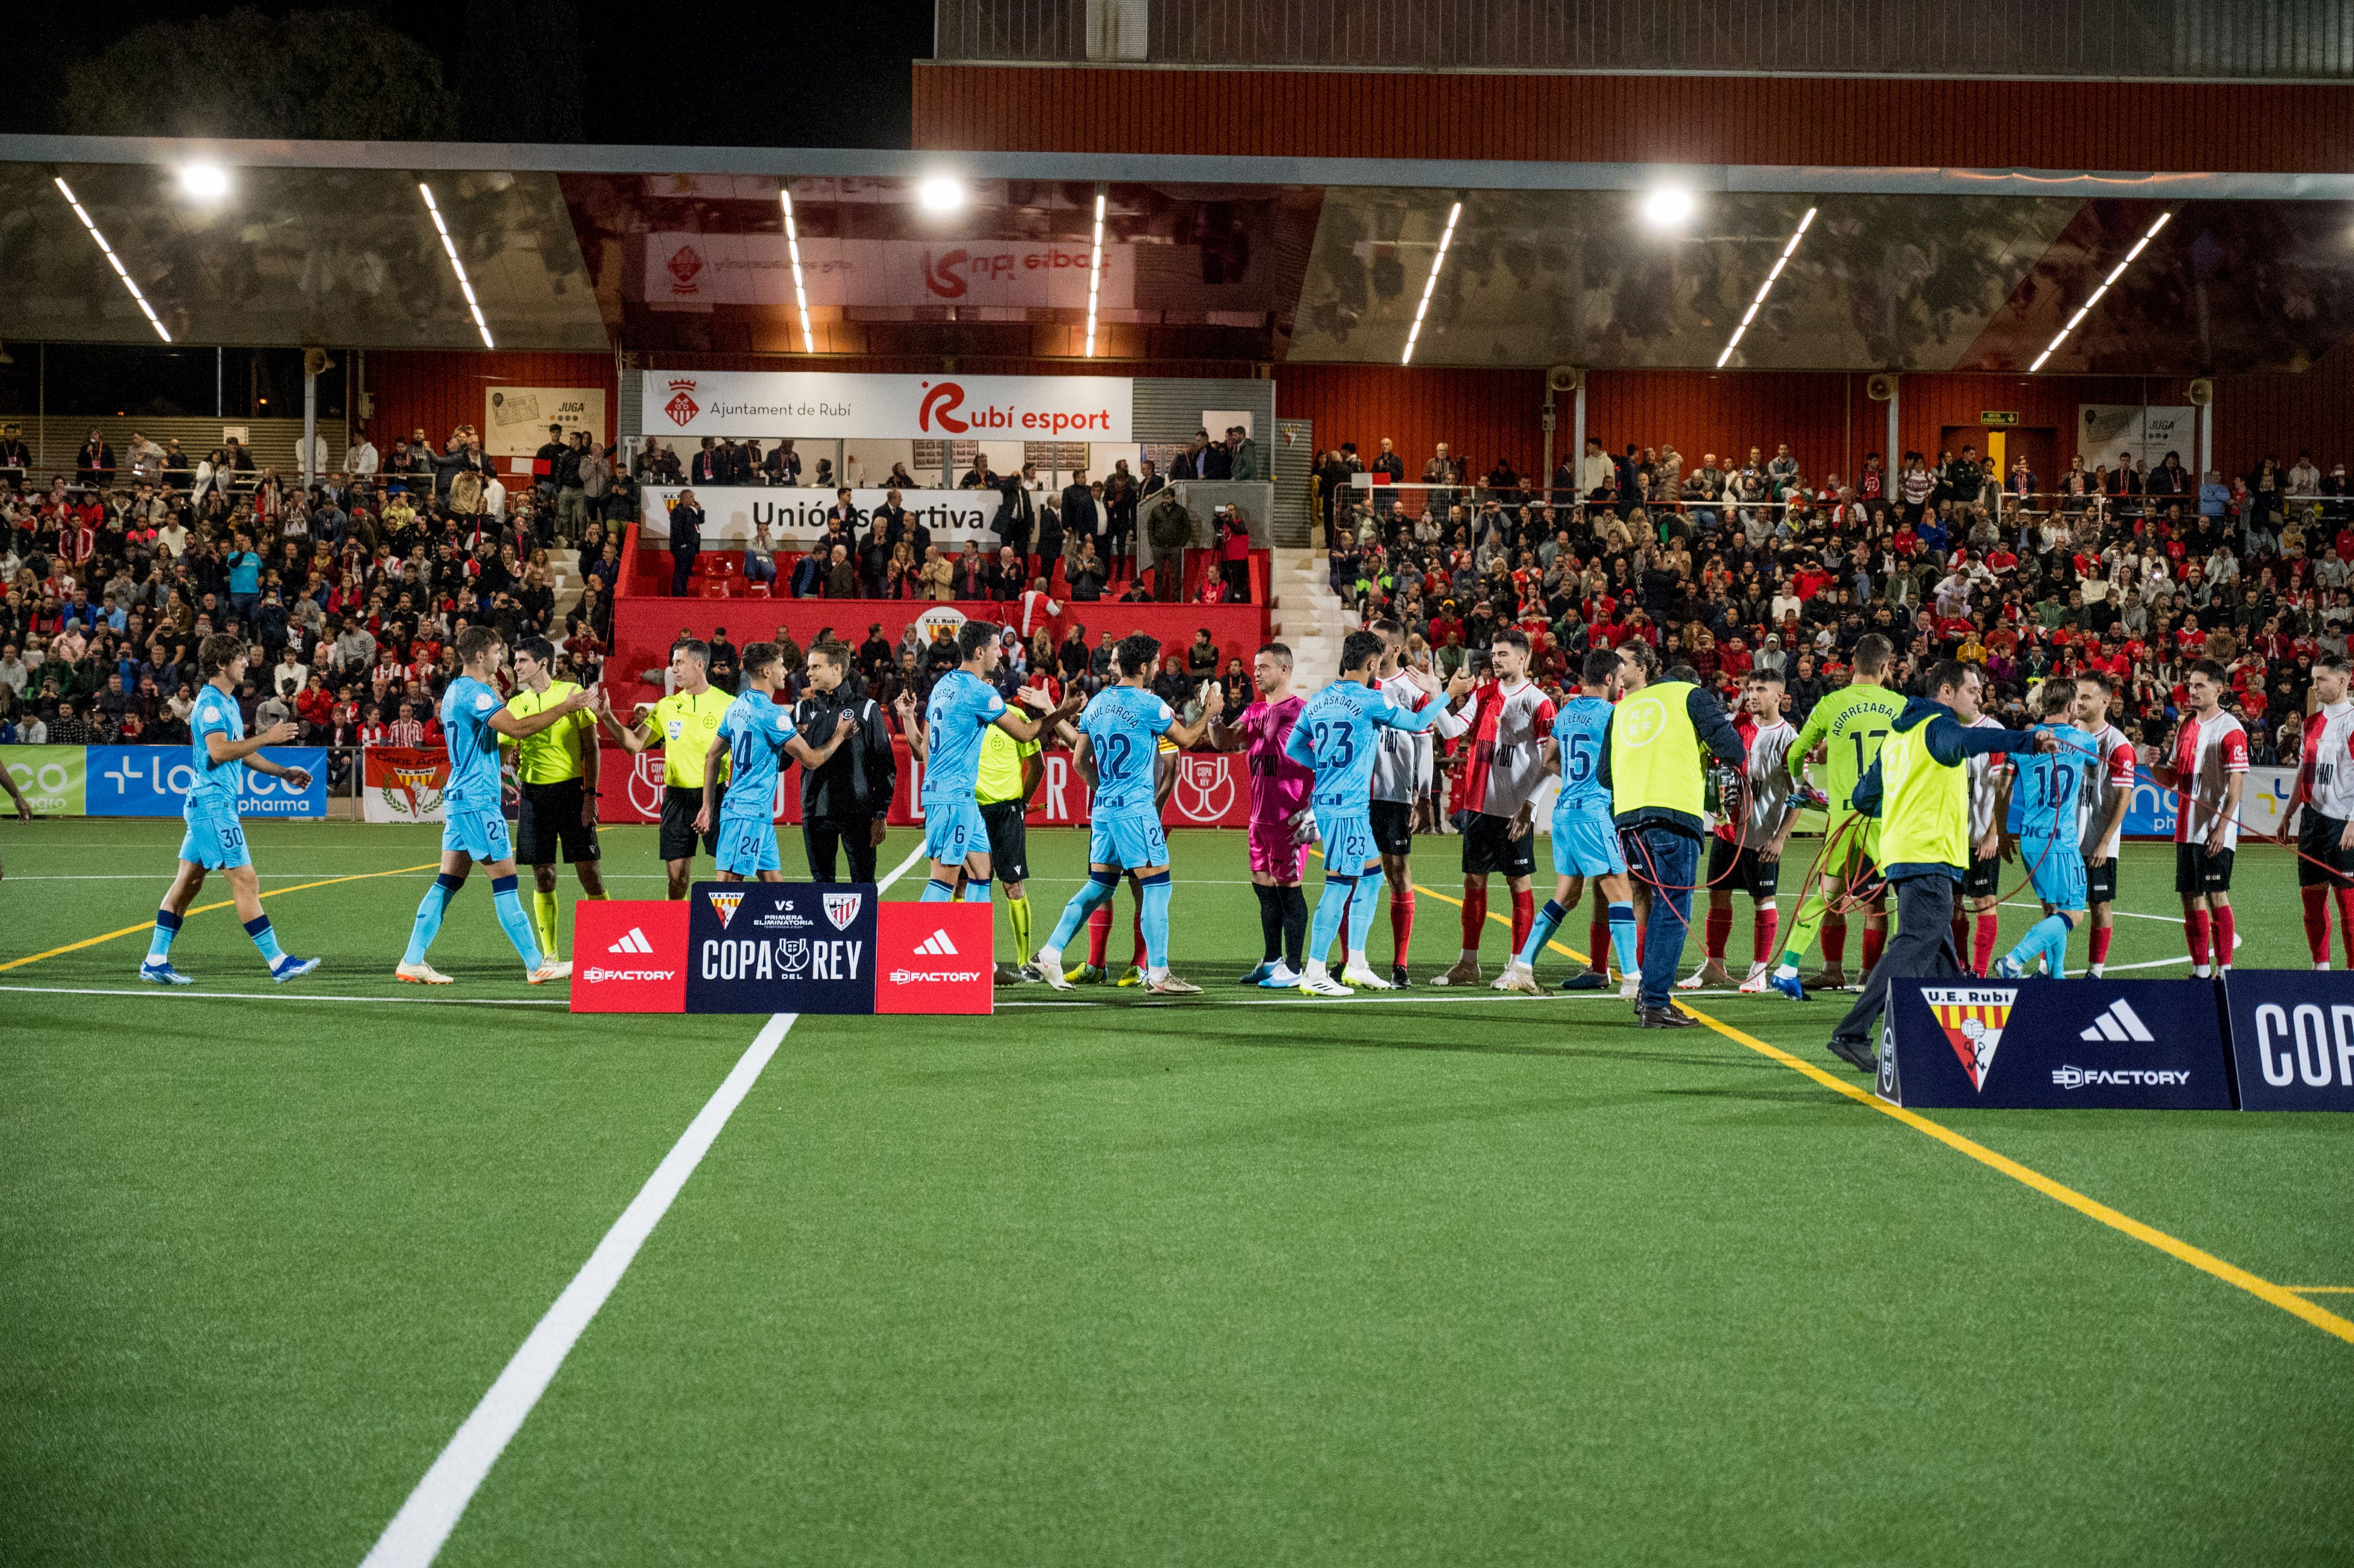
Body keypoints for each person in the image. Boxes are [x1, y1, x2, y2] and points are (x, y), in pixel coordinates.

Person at [1823, 661, 2056, 1071]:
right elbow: (1969, 741)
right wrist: (2029, 740)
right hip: (1929, 853)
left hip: (1903, 854)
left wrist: (1903, 803)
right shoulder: (1938, 726)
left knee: (1943, 955)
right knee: (1916, 942)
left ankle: (1956, 1049)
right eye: (1973, 689)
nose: (1979, 697)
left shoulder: (1899, 734)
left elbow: (1864, 797)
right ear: (1946, 692)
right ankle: (1853, 1032)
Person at [395, 626, 593, 987]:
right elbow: (516, 729)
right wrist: (564, 708)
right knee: (505, 880)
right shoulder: (476, 693)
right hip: (477, 801)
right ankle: (537, 964)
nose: (503, 659)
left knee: (447, 881)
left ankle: (412, 960)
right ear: (482, 656)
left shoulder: (455, 690)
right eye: (499, 652)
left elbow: (494, 740)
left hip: (461, 798)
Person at [1035, 634, 1224, 996]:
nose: (1156, 668)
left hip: (1104, 810)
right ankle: (1159, 974)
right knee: (1157, 887)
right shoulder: (1150, 705)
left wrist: (1106, 788)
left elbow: (1078, 761)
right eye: (1154, 663)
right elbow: (1185, 741)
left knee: (1099, 887)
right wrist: (1209, 713)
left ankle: (1050, 952)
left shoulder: (1096, 705)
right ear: (1142, 667)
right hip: (1137, 809)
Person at [1279, 629, 1457, 997]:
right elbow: (1415, 723)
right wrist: (1448, 696)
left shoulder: (1316, 700)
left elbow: (1295, 748)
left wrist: (1324, 767)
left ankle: (1357, 963)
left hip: (1340, 804)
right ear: (1373, 663)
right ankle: (1313, 972)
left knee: (1373, 877)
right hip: (1347, 809)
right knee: (1339, 885)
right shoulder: (1369, 700)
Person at [135, 635, 321, 986]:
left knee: (188, 884)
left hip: (207, 805)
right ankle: (279, 962)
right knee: (245, 880)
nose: (246, 663)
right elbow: (219, 752)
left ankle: (155, 960)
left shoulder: (228, 703)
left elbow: (240, 751)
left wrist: (283, 772)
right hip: (212, 806)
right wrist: (268, 737)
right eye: (238, 658)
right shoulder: (209, 706)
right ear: (221, 664)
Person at [1596, 642, 1748, 1027]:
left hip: (1628, 821)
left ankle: (1649, 995)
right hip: (1673, 815)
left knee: (1651, 903)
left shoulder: (1623, 709)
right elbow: (1733, 749)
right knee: (1673, 909)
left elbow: (1604, 776)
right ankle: (1656, 1003)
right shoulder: (1690, 696)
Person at [1767, 633, 1907, 1000]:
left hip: (1844, 819)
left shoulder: (1831, 703)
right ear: (1885, 667)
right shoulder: (1900, 705)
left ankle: (1787, 969)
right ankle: (1893, 975)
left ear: (1852, 666)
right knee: (1908, 895)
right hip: (1887, 819)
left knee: (1826, 895)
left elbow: (1795, 754)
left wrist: (1801, 787)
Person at [1495, 649, 1640, 994]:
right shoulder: (1613, 715)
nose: (1621, 685)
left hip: (1564, 813)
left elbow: (1549, 760)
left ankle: (1523, 967)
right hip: (1593, 813)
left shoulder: (1568, 711)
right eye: (1619, 679)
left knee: (1567, 896)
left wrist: (1579, 775)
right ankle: (1634, 979)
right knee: (1622, 895)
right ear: (1609, 679)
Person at [916, 622, 1080, 907]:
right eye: (996, 648)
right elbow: (1027, 733)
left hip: (956, 796)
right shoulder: (980, 692)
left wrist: (935, 784)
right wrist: (1063, 711)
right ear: (980, 652)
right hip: (953, 797)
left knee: (981, 873)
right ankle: (912, 949)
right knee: (944, 879)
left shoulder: (943, 684)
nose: (1000, 655)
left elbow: (925, 744)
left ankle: (975, 948)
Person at [1429, 629, 1555, 988]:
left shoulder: (1539, 702)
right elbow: (1452, 726)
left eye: (1503, 654)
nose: (1496, 659)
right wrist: (1438, 695)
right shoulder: (1483, 695)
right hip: (1478, 805)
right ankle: (1469, 964)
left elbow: (1550, 761)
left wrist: (1530, 807)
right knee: (1473, 880)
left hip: (1514, 809)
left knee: (1519, 883)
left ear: (1522, 658)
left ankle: (1518, 967)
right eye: (1494, 654)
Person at [1677, 672, 1800, 993]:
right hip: (1727, 833)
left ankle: (1759, 970)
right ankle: (1715, 966)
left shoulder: (1789, 739)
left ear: (1780, 696)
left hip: (1763, 839)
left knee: (1763, 901)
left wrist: (1780, 838)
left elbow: (1800, 795)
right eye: (1750, 688)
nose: (1753, 694)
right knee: (1718, 898)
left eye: (1762, 689)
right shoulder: (1735, 726)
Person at [1206, 642, 1318, 988]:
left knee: (1289, 889)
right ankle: (1272, 961)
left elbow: (1321, 763)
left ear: (1285, 671)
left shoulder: (1302, 712)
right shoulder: (1253, 712)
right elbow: (1223, 741)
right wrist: (1212, 716)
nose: (1256, 672)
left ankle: (1295, 967)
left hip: (1290, 817)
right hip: (1259, 819)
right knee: (1263, 889)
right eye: (1256, 667)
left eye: (1264, 667)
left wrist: (1311, 808)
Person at [694, 643, 855, 882]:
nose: (786, 671)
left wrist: (708, 806)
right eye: (781, 666)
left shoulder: (736, 707)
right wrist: (840, 736)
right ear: (767, 672)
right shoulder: (773, 714)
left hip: (757, 814)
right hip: (747, 813)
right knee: (728, 887)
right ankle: (710, 922)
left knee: (775, 885)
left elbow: (713, 755)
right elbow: (811, 760)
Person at [1367, 617, 1471, 985]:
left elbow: (1426, 742)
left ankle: (1400, 965)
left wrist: (1424, 796)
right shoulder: (1360, 683)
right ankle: (1351, 962)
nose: (1370, 646)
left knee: (1398, 874)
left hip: (1395, 796)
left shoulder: (1411, 687)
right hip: (1360, 796)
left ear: (1395, 649)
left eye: (1377, 641)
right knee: (1350, 878)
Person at [593, 639, 734, 899]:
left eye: (679, 663)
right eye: (672, 663)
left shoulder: (729, 704)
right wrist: (608, 717)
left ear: (700, 664)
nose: (673, 669)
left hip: (716, 798)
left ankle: (718, 935)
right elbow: (634, 744)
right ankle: (676, 936)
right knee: (677, 881)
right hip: (677, 800)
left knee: (728, 880)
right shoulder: (667, 707)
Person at [501, 636, 605, 960]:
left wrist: (590, 794)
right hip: (533, 796)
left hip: (572, 793)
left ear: (542, 663)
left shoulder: (572, 695)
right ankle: (551, 955)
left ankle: (605, 949)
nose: (515, 667)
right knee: (543, 874)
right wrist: (509, 757)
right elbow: (505, 749)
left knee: (589, 872)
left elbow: (592, 748)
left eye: (522, 661)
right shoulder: (516, 704)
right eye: (515, 661)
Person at [2149, 658, 2248, 978]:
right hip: (2185, 828)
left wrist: (2222, 827)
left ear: (2219, 689)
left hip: (2213, 830)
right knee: (2190, 898)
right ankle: (2200, 970)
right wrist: (2153, 765)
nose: (2192, 691)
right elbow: (2171, 779)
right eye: (2191, 685)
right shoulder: (2186, 726)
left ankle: (2226, 970)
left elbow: (2236, 788)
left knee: (2217, 895)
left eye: (2200, 685)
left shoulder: (2231, 729)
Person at [1993, 680, 2099, 979]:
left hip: (2029, 839)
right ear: (2070, 706)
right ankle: (2015, 959)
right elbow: (2094, 765)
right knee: (2073, 913)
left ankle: (2056, 977)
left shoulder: (2025, 742)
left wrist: (2002, 833)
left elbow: (2004, 790)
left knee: (2053, 910)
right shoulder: (2084, 741)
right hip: (2061, 842)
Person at [790, 639, 900, 884]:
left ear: (837, 669)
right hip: (815, 810)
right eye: (809, 667)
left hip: (858, 813)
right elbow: (782, 764)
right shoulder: (801, 710)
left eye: (815, 667)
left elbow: (884, 765)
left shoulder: (867, 708)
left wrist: (880, 812)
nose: (808, 673)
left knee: (863, 883)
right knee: (821, 884)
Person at [2282, 652, 2354, 970]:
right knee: (2312, 901)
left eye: (2320, 679)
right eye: (2313, 680)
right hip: (2312, 820)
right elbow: (2304, 771)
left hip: (2344, 824)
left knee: (2348, 906)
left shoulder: (2352, 722)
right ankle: (2320, 968)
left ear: (2343, 680)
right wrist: (2289, 813)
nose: (2314, 686)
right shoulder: (2312, 723)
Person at [2074, 673, 2138, 977]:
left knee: (2099, 905)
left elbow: (2125, 797)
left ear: (2105, 702)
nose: (2079, 702)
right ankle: (2049, 968)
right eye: (2077, 695)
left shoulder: (2118, 746)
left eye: (2085, 697)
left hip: (2098, 842)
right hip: (2065, 840)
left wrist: (2105, 841)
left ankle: (2095, 972)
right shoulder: (2066, 734)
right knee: (2054, 904)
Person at [1954, 689, 2017, 977]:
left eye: (1977, 689)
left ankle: (1979, 972)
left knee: (1984, 902)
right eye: (1970, 689)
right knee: (1953, 906)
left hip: (1980, 835)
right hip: (1948, 838)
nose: (1976, 694)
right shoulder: (1944, 728)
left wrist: (1994, 833)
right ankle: (1960, 966)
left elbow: (2002, 788)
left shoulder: (1994, 731)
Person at [669, 490, 704, 597]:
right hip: (682, 547)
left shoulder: (690, 511)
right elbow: (677, 530)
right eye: (691, 497)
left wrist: (699, 510)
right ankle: (678, 594)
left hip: (691, 546)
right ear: (684, 499)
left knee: (687, 572)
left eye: (693, 496)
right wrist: (682, 544)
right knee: (681, 571)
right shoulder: (677, 511)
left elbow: (701, 521)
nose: (693, 499)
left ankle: (683, 593)